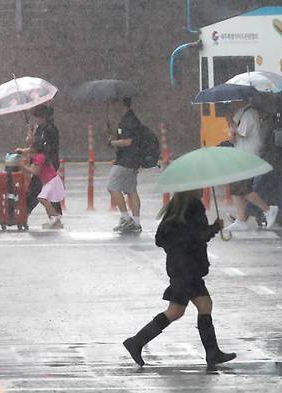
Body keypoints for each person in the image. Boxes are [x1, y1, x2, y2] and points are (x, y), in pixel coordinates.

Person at [123, 190, 236, 368]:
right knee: (185, 309)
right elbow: (197, 237)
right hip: (188, 269)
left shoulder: (175, 207)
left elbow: (161, 239)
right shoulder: (194, 207)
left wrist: (178, 247)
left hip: (181, 268)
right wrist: (214, 228)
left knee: (191, 308)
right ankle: (136, 342)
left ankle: (212, 352)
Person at [224, 100, 279, 232]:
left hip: (249, 157)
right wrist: (230, 125)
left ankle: (268, 209)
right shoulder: (240, 113)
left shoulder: (250, 113)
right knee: (236, 188)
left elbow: (242, 132)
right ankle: (241, 219)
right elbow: (233, 137)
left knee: (243, 188)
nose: (233, 103)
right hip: (240, 156)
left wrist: (231, 124)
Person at [106, 97, 142, 233]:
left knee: (112, 186)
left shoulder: (129, 121)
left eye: (116, 102)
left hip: (126, 160)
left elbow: (128, 142)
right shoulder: (129, 119)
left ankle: (126, 218)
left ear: (122, 103)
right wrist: (111, 134)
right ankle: (136, 223)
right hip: (131, 160)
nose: (114, 105)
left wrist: (112, 142)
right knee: (131, 190)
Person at [19, 104, 62, 216]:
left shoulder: (50, 129)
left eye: (37, 117)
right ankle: (55, 215)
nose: (36, 120)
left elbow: (41, 147)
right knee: (46, 190)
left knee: (35, 189)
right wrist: (30, 140)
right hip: (42, 162)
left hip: (47, 163)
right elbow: (35, 145)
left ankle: (25, 213)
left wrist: (32, 145)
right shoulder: (40, 128)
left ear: (43, 117)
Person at [20, 140, 65, 229]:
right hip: (50, 181)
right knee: (45, 198)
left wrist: (23, 167)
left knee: (42, 198)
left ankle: (55, 216)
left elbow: (35, 171)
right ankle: (54, 220)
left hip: (51, 181)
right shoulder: (40, 156)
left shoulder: (39, 158)